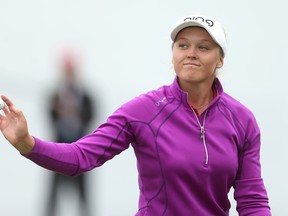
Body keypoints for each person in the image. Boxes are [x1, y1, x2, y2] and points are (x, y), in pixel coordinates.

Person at [0, 14, 272, 215]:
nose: (191, 54)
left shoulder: (242, 120)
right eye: (183, 45)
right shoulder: (143, 111)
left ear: (220, 59)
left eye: (203, 47)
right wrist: (27, 143)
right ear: (173, 54)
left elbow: (253, 202)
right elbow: (80, 157)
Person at [45, 53, 94, 216]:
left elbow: (91, 115)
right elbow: (50, 116)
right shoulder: (56, 95)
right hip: (58, 146)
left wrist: (77, 114)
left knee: (83, 192)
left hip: (81, 148)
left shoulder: (85, 95)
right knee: (53, 191)